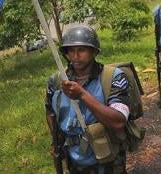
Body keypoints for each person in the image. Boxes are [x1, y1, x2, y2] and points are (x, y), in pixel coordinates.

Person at [45, 24, 130, 174]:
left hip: (108, 159)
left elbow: (118, 121)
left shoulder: (113, 77)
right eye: (71, 50)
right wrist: (56, 140)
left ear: (94, 51)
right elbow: (50, 111)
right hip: (74, 161)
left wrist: (82, 95)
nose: (75, 56)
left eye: (82, 50)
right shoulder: (56, 81)